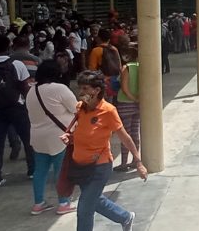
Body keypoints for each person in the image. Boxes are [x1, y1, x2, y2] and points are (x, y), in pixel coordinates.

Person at [62, 71, 147, 231]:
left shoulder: (108, 111)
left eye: (85, 88)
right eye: (80, 88)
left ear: (96, 90)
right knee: (95, 200)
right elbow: (80, 130)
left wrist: (138, 162)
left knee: (84, 209)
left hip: (99, 167)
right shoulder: (80, 108)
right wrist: (69, 136)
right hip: (80, 166)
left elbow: (126, 138)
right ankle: (125, 217)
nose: (81, 93)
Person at [0, 35, 34, 188]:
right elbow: (25, 88)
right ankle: (32, 170)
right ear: (9, 47)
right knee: (28, 139)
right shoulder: (17, 64)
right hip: (17, 107)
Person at [25, 60, 77, 215]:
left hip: (37, 136)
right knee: (61, 170)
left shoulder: (31, 91)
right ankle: (63, 203)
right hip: (59, 137)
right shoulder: (59, 88)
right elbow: (76, 109)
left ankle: (38, 203)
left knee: (40, 170)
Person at [115, 47, 140, 172]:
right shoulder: (140, 66)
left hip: (125, 103)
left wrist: (132, 98)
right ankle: (136, 160)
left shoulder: (127, 68)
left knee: (125, 134)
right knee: (135, 133)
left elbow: (124, 88)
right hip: (138, 105)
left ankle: (124, 162)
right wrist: (137, 99)